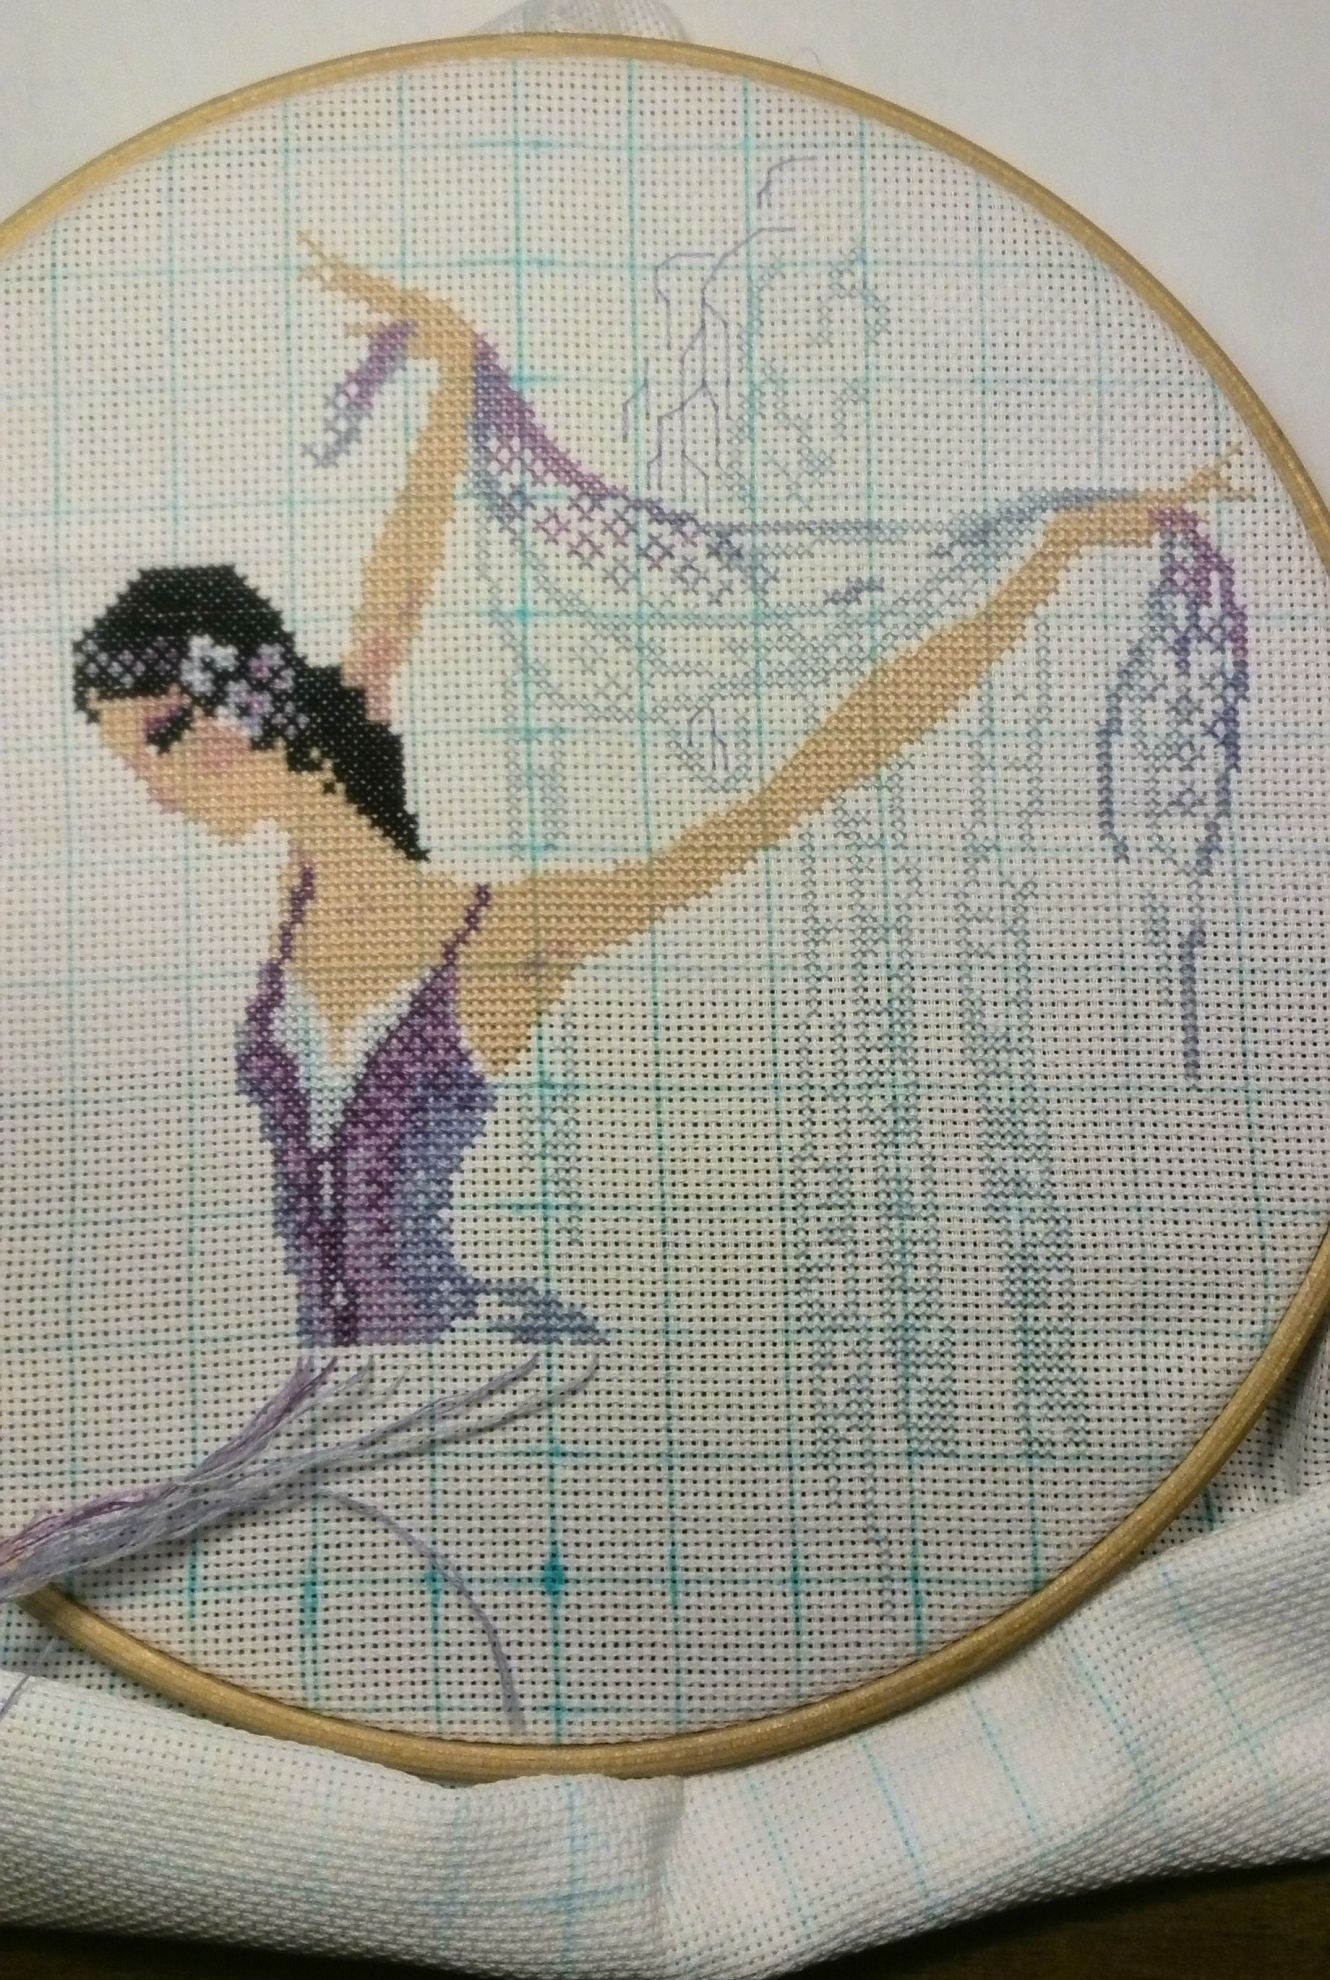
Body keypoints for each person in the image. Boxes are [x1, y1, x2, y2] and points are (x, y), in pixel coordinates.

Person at [72, 239, 1249, 1352]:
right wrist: (456, 364)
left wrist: (1044, 561)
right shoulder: (306, 877)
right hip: (336, 1385)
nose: (158, 790)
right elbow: (396, 587)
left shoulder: (517, 938)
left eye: (165, 740)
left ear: (246, 701)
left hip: (458, 1375)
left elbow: (804, 781)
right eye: (136, 762)